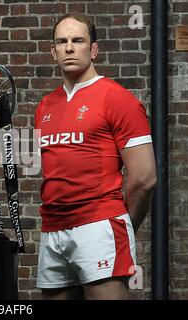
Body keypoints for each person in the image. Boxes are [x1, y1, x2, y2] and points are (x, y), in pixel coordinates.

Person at [35, 14, 157, 300]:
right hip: (52, 230)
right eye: (62, 42)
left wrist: (121, 225)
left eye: (77, 40)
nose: (69, 48)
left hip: (99, 227)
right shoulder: (45, 106)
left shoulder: (117, 99)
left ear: (93, 50)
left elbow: (144, 179)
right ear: (53, 51)